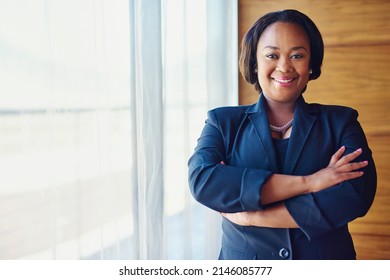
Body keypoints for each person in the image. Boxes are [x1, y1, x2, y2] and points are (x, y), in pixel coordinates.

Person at [187, 9, 376, 260]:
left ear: (311, 64)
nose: (284, 66)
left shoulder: (341, 121)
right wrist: (311, 182)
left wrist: (252, 217)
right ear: (254, 64)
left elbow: (355, 195)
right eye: (272, 55)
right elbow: (203, 182)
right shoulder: (222, 122)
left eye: (297, 55)